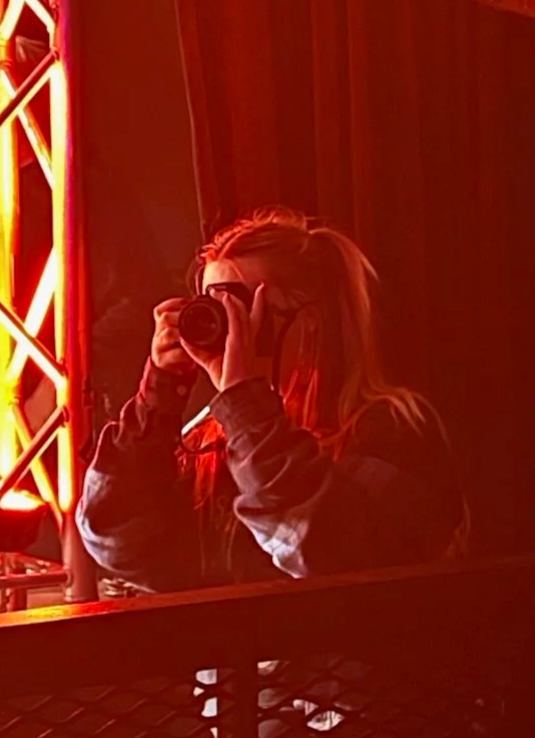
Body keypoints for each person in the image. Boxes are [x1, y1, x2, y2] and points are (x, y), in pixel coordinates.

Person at [77, 206, 467, 592]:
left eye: (240, 310)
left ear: (309, 320)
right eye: (212, 309)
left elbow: (323, 547)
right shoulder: (214, 442)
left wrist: (244, 405)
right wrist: (157, 399)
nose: (226, 331)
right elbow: (111, 539)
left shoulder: (393, 429)